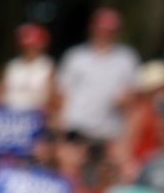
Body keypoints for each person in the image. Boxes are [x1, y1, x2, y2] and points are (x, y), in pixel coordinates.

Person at [56, 8, 139, 142]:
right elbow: (62, 93)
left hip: (110, 132)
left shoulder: (127, 59)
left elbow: (133, 96)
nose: (104, 34)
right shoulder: (75, 56)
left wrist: (125, 101)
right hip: (75, 127)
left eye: (110, 31)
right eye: (101, 29)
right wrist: (61, 125)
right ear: (93, 28)